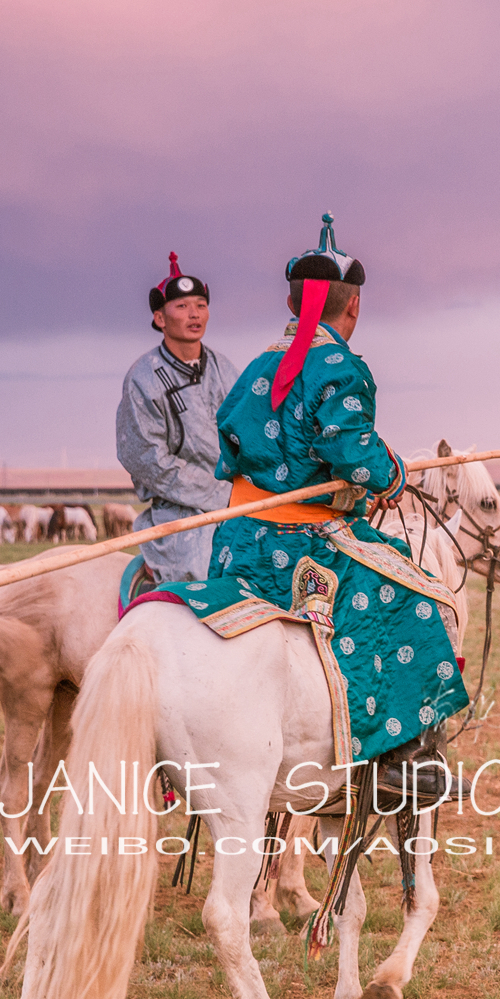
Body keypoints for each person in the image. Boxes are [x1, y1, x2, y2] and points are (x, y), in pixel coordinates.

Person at [170, 215, 463, 795]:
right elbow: (348, 450)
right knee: (421, 596)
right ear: (352, 308)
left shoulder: (257, 366)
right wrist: (391, 473)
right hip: (306, 544)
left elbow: (231, 442)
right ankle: (400, 759)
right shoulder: (340, 366)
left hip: (239, 542)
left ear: (290, 301)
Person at [116, 253, 242, 586]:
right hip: (181, 513)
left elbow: (251, 432)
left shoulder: (226, 370)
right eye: (182, 307)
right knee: (202, 576)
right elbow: (148, 459)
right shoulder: (143, 378)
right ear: (160, 318)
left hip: (240, 502)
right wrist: (220, 493)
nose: (194, 314)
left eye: (200, 305)